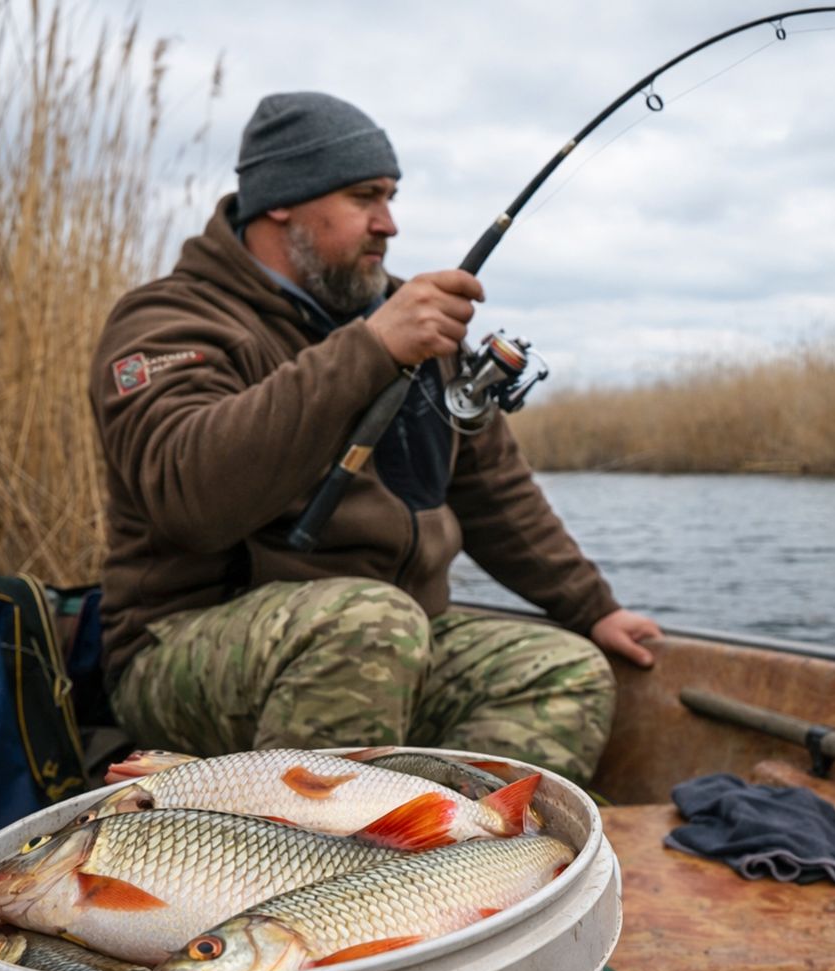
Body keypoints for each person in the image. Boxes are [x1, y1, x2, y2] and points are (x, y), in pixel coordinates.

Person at [87, 91, 661, 784]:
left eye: (390, 197)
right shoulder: (169, 320)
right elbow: (190, 496)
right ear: (281, 201)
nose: (388, 223)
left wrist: (594, 608)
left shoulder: (408, 322)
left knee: (561, 669)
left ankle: (448, 840)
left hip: (387, 636)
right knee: (369, 624)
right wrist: (369, 351)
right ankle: (306, 852)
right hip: (182, 648)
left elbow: (493, 492)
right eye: (364, 197)